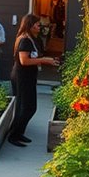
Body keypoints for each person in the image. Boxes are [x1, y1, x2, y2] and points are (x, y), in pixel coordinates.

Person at [7, 14, 58, 147]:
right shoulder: (24, 40)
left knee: (28, 107)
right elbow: (24, 61)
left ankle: (19, 132)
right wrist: (43, 60)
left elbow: (35, 56)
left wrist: (49, 60)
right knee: (26, 107)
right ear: (30, 25)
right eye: (37, 24)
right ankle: (13, 135)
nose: (39, 26)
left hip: (29, 76)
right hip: (21, 77)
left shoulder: (34, 39)